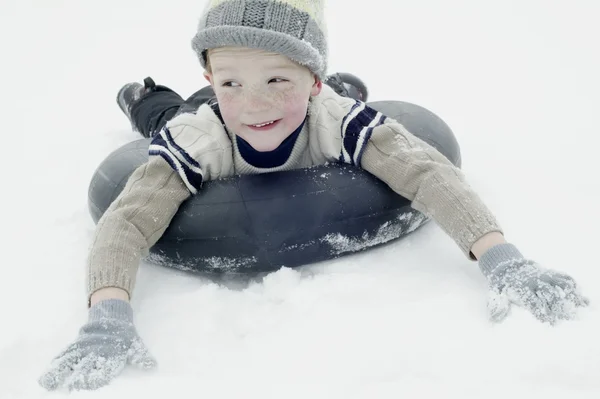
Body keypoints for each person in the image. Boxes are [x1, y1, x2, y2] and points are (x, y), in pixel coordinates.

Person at [38, 0, 588, 392]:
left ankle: (335, 81)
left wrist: (501, 258)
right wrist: (107, 314)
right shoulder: (202, 135)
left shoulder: (334, 120)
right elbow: (128, 219)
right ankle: (146, 97)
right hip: (191, 116)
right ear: (210, 72)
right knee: (168, 116)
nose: (254, 105)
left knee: (327, 101)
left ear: (313, 82)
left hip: (324, 98)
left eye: (278, 80)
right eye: (230, 81)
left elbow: (424, 171)